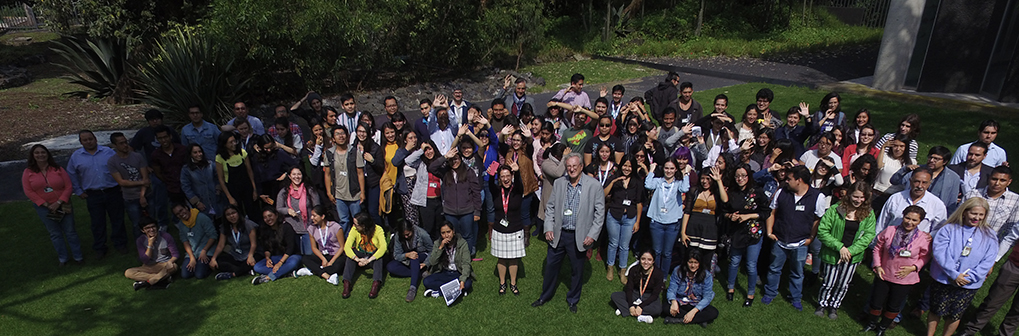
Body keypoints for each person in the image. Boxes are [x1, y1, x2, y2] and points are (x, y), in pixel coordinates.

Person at [533, 153, 605, 313]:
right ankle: (545, 296)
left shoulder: (594, 185)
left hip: (579, 236)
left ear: (581, 167)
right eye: (569, 166)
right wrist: (548, 228)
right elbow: (550, 207)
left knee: (577, 270)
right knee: (551, 266)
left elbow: (600, 214)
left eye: (574, 166)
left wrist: (592, 235)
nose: (571, 169)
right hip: (559, 233)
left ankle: (573, 299)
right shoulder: (559, 183)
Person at [927, 197, 997, 336]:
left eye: (981, 215)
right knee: (936, 310)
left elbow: (988, 260)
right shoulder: (948, 229)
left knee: (955, 314)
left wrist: (970, 277)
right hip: (944, 278)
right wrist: (954, 274)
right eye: (973, 213)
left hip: (968, 284)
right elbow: (940, 252)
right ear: (964, 212)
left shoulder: (990, 235)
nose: (976, 218)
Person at [762, 165, 827, 311]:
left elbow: (817, 219)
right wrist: (769, 231)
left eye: (789, 179)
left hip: (801, 242)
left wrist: (811, 237)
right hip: (779, 240)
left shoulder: (818, 197)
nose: (786, 181)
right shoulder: (781, 192)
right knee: (774, 268)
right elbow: (772, 212)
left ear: (799, 180)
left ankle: (796, 297)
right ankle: (770, 292)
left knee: (797, 272)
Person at [863, 205, 932, 335]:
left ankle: (882, 328)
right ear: (903, 216)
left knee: (894, 305)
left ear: (920, 222)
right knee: (876, 301)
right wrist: (877, 265)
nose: (909, 222)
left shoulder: (923, 238)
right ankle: (871, 324)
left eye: (914, 220)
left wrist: (914, 267)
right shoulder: (890, 230)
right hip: (884, 272)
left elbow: (926, 256)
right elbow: (878, 248)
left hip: (904, 278)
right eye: (907, 218)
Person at [814, 182, 876, 319]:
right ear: (849, 195)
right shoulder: (835, 209)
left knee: (843, 284)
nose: (858, 200)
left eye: (862, 198)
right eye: (856, 197)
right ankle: (822, 303)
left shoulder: (869, 214)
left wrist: (850, 251)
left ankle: (834, 306)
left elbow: (869, 236)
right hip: (833, 253)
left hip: (852, 256)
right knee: (828, 282)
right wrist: (840, 247)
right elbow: (823, 231)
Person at [67, 130, 128, 258]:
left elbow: (120, 167)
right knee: (97, 222)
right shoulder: (76, 156)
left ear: (95, 139)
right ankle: (100, 247)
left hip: (112, 190)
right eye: (85, 140)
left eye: (90, 138)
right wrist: (78, 191)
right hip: (93, 194)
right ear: (81, 142)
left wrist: (122, 184)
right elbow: (71, 174)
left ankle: (120, 243)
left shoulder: (108, 152)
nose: (88, 141)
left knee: (117, 219)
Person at [23, 144, 83, 265]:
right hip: (44, 208)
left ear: (47, 154)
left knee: (70, 232)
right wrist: (45, 204)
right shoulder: (28, 172)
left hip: (63, 204)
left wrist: (59, 201)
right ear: (33, 156)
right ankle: (63, 258)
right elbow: (28, 191)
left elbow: (68, 186)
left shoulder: (57, 169)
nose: (40, 155)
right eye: (37, 153)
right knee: (55, 234)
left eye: (43, 152)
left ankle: (78, 257)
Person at [723, 163, 771, 307]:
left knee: (750, 265)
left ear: (748, 176)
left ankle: (750, 294)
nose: (740, 178)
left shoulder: (757, 191)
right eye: (737, 176)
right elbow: (724, 210)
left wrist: (748, 216)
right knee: (734, 261)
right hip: (736, 231)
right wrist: (729, 216)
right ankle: (730, 288)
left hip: (753, 232)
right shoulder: (731, 192)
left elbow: (765, 212)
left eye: (743, 175)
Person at [429, 146, 482, 257]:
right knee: (454, 235)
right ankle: (456, 256)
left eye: (456, 159)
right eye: (451, 160)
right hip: (450, 211)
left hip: (467, 210)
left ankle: (466, 256)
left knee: (467, 235)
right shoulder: (445, 172)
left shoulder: (469, 172)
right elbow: (432, 167)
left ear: (461, 159)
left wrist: (477, 211)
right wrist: (445, 157)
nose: (454, 162)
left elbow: (476, 192)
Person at [645, 159, 691, 272]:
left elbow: (685, 188)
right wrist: (651, 171)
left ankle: (664, 277)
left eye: (671, 168)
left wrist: (686, 173)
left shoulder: (679, 183)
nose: (669, 171)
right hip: (657, 222)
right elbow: (648, 185)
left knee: (667, 253)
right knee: (657, 251)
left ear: (675, 169)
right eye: (666, 168)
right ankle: (655, 275)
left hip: (672, 223)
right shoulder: (658, 181)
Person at [489, 165, 529, 295]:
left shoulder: (517, 189)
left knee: (513, 258)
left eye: (508, 176)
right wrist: (491, 174)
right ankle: (502, 283)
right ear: (499, 178)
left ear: (511, 177)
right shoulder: (496, 190)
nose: (505, 179)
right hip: (499, 229)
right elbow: (490, 184)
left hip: (515, 229)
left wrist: (517, 172)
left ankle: (513, 283)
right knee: (501, 258)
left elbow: (519, 182)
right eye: (502, 176)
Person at [604, 156, 644, 283]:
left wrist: (637, 221)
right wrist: (613, 181)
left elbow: (639, 203)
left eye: (629, 166)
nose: (627, 169)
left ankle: (622, 270)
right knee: (613, 243)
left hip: (629, 217)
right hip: (614, 215)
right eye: (625, 166)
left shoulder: (637, 182)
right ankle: (610, 267)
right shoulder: (615, 179)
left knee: (624, 246)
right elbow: (604, 194)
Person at [874, 166, 948, 235]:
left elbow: (938, 231)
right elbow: (881, 224)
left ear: (930, 183)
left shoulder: (937, 205)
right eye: (917, 181)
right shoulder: (896, 198)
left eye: (924, 182)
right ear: (910, 181)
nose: (920, 186)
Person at [319, 126, 363, 233]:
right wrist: (329, 192)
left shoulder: (354, 151)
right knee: (343, 220)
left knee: (357, 220)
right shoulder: (329, 153)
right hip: (338, 193)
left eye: (343, 133)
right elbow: (328, 174)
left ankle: (358, 244)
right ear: (333, 138)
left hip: (354, 192)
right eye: (337, 134)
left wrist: (363, 192)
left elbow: (360, 173)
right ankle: (345, 244)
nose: (341, 136)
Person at [891, 146, 961, 211]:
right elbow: (894, 181)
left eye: (936, 159)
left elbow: (952, 203)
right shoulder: (917, 170)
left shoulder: (953, 178)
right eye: (930, 157)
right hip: (911, 210)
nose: (931, 160)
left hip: (933, 212)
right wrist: (905, 169)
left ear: (945, 162)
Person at [107, 132, 150, 237]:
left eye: (125, 142)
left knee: (151, 221)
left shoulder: (137, 156)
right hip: (130, 198)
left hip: (147, 194)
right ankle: (141, 246)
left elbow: (145, 178)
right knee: (136, 224)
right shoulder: (112, 162)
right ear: (114, 145)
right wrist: (141, 182)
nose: (125, 145)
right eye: (121, 143)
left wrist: (142, 195)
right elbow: (121, 182)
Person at [664, 250, 719, 326]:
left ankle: (678, 320)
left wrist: (693, 312)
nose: (693, 266)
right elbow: (671, 289)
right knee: (665, 307)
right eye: (690, 262)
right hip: (681, 301)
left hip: (696, 303)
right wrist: (673, 302)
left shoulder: (706, 275)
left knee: (713, 312)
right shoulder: (678, 271)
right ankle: (700, 320)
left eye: (696, 263)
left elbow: (707, 296)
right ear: (686, 262)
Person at [681, 166, 728, 253]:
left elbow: (725, 200)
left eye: (708, 178)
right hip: (693, 229)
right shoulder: (694, 191)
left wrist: (719, 181)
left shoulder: (717, 192)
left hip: (710, 230)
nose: (704, 181)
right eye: (702, 178)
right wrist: (683, 232)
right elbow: (687, 212)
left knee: (706, 260)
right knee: (691, 257)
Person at [342, 211, 387, 299]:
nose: (354, 226)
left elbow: (383, 247)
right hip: (360, 255)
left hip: (372, 256)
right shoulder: (354, 229)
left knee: (379, 257)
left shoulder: (378, 229)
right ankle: (347, 283)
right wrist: (357, 259)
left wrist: (369, 260)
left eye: (356, 224)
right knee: (350, 255)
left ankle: (376, 283)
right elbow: (347, 247)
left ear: (363, 226)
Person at [964, 166, 1019, 239]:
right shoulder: (972, 194)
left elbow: (1010, 229)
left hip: (991, 241)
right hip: (965, 237)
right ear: (989, 178)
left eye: (1002, 180)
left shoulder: (1015, 200)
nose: (997, 183)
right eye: (994, 179)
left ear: (1009, 182)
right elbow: (958, 218)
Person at [611, 250, 664, 324]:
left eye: (649, 260)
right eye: (643, 259)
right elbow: (629, 289)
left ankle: (624, 308)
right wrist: (630, 305)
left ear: (653, 261)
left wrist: (641, 306)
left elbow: (655, 295)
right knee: (614, 296)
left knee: (658, 310)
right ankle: (637, 313)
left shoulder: (658, 273)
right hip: (635, 293)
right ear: (639, 259)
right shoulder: (634, 270)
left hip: (649, 295)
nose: (646, 262)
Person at [295, 205, 345, 285]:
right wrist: (323, 259)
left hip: (336, 256)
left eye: (314, 216)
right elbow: (314, 248)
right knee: (305, 258)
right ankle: (327, 276)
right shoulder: (312, 228)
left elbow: (342, 247)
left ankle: (312, 270)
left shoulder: (336, 227)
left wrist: (331, 262)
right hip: (323, 256)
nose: (312, 218)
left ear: (322, 216)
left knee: (339, 266)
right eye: (312, 215)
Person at [215, 133, 259, 222]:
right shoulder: (219, 158)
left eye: (234, 141)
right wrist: (229, 197)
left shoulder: (242, 152)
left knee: (253, 211)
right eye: (230, 142)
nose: (234, 144)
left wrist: (254, 189)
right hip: (232, 188)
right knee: (238, 214)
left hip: (247, 186)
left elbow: (250, 171)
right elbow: (221, 179)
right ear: (224, 144)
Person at [276, 166, 320, 255]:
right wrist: (287, 211)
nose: (297, 177)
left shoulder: (310, 190)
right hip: (291, 229)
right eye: (294, 174)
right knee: (295, 254)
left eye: (299, 174)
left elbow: (317, 207)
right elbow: (278, 208)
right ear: (289, 176)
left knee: (309, 254)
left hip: (307, 227)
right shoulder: (284, 191)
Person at [125, 217, 178, 290]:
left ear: (157, 227)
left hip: (164, 264)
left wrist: (170, 262)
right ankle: (161, 279)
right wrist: (150, 244)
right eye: (147, 228)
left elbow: (175, 254)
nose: (151, 230)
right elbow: (145, 260)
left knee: (174, 266)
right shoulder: (140, 240)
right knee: (128, 272)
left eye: (153, 227)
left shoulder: (166, 236)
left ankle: (146, 282)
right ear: (143, 230)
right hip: (148, 266)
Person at [251, 208, 300, 285]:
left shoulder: (286, 227)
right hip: (276, 257)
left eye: (270, 216)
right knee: (257, 267)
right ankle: (286, 273)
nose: (268, 219)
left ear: (276, 215)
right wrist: (268, 259)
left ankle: (267, 277)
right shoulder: (265, 230)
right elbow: (267, 248)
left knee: (293, 263)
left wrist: (280, 263)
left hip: (290, 256)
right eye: (265, 217)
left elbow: (290, 248)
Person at [209, 205, 258, 280]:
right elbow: (221, 245)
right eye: (228, 214)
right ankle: (245, 270)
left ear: (238, 213)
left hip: (249, 253)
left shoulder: (248, 224)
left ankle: (233, 274)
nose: (232, 216)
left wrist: (250, 256)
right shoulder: (225, 227)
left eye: (233, 213)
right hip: (235, 254)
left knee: (255, 259)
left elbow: (253, 244)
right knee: (219, 261)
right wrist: (213, 258)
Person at [387, 221, 432, 302]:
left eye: (408, 234)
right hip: (407, 258)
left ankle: (413, 288)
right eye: (404, 235)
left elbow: (432, 251)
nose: (406, 237)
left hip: (422, 256)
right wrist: (406, 255)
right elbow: (397, 255)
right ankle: (419, 273)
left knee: (414, 257)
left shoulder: (422, 234)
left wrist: (426, 263)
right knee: (390, 267)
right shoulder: (398, 236)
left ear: (412, 229)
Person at [171, 203, 217, 280]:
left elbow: (213, 236)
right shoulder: (181, 224)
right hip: (193, 252)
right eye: (177, 214)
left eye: (181, 210)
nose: (181, 214)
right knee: (185, 274)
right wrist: (191, 258)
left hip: (206, 250)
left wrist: (204, 250)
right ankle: (198, 264)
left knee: (200, 275)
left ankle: (207, 265)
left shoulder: (202, 218)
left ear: (186, 208)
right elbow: (185, 241)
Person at [149, 126, 189, 205]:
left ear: (170, 136)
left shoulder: (183, 150)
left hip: (188, 186)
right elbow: (158, 173)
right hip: (172, 189)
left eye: (165, 137)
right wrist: (168, 180)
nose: (163, 140)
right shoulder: (156, 155)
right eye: (160, 138)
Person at [180, 144, 222, 217]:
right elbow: (186, 187)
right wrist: (196, 202)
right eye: (195, 152)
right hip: (201, 201)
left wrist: (218, 189)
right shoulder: (186, 169)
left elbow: (218, 176)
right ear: (190, 154)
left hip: (215, 198)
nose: (198, 154)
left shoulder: (210, 164)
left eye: (200, 152)